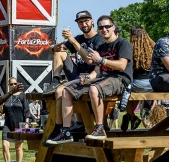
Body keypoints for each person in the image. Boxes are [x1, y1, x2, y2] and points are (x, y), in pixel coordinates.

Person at [44, 15, 133, 143]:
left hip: (119, 79)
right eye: (101, 27)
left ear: (113, 27)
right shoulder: (101, 48)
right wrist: (87, 78)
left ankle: (100, 127)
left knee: (94, 89)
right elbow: (97, 70)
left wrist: (102, 60)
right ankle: (66, 131)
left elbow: (122, 66)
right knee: (65, 90)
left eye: (107, 26)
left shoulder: (122, 43)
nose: (104, 29)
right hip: (101, 78)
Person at [46, 11, 104, 132]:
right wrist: (53, 48)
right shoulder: (78, 38)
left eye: (86, 21)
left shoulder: (99, 40)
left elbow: (89, 60)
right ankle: (55, 79)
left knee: (60, 91)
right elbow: (55, 50)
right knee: (60, 52)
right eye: (80, 22)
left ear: (92, 21)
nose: (84, 24)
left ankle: (65, 128)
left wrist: (73, 42)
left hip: (93, 77)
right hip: (77, 75)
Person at [119, 26, 155, 131]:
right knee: (135, 90)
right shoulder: (153, 47)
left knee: (127, 88)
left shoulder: (130, 49)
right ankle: (137, 113)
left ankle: (130, 116)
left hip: (136, 83)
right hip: (151, 84)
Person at [1, 77, 28, 162]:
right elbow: (3, 111)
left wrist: (26, 123)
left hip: (19, 124)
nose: (13, 85)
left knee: (18, 147)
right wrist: (1, 107)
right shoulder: (7, 96)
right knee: (5, 145)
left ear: (17, 84)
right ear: (9, 86)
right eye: (11, 84)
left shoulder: (22, 96)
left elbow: (26, 111)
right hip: (8, 124)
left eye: (15, 84)